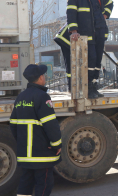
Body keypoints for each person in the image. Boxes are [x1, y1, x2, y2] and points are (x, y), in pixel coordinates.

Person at [9, 64, 62, 196]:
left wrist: (22, 143)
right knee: (44, 185)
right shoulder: (42, 97)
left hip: (25, 154)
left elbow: (13, 125)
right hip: (41, 154)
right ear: (40, 78)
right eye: (44, 75)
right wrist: (56, 144)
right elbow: (51, 124)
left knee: (25, 184)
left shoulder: (20, 98)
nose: (45, 77)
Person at [66, 0, 114, 98]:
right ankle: (88, 89)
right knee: (91, 59)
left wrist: (105, 15)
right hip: (86, 33)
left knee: (98, 60)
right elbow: (71, 13)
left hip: (100, 31)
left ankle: (94, 86)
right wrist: (74, 31)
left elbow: (110, 3)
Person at [54, 23, 71, 92]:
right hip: (66, 37)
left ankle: (71, 86)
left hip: (66, 37)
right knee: (70, 63)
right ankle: (71, 87)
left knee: (70, 64)